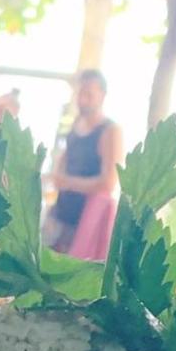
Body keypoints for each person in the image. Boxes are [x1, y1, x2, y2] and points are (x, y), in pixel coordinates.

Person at [44, 70, 122, 260]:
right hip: (62, 212)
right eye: (79, 93)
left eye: (89, 94)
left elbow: (109, 182)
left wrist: (67, 182)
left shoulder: (110, 131)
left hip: (88, 220)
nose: (82, 100)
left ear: (102, 95)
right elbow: (64, 162)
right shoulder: (74, 126)